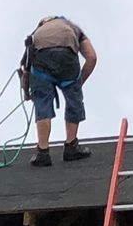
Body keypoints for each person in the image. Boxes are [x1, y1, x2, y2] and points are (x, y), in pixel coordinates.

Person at [19, 15, 97, 166]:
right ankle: (71, 146)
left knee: (42, 102)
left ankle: (43, 152)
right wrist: (77, 84)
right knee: (73, 101)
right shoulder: (74, 29)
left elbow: (26, 68)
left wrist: (28, 91)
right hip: (67, 58)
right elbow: (92, 57)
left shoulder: (37, 33)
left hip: (42, 63)